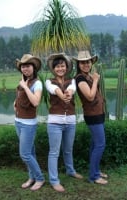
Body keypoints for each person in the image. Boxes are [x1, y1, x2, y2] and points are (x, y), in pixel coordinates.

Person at [46, 53, 83, 192]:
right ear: (53, 69)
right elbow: (53, 90)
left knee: (68, 149)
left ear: (66, 68)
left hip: (71, 121)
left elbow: (72, 89)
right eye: (57, 66)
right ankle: (54, 180)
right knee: (54, 152)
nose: (60, 68)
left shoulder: (71, 80)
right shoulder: (49, 81)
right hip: (55, 122)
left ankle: (70, 170)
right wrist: (62, 95)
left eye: (63, 66)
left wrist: (68, 93)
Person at [73, 50, 108, 185]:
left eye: (87, 62)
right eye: (82, 62)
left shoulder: (88, 76)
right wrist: (96, 80)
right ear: (78, 64)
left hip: (98, 113)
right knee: (100, 144)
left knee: (95, 144)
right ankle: (93, 176)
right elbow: (90, 96)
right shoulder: (80, 78)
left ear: (91, 62)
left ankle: (96, 171)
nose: (85, 64)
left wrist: (94, 80)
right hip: (92, 116)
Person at [14, 54, 45, 191]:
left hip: (28, 124)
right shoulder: (22, 81)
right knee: (30, 153)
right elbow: (20, 97)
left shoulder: (37, 83)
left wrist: (25, 87)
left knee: (25, 154)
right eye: (23, 66)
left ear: (34, 67)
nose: (25, 68)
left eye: (28, 66)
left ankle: (40, 178)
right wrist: (15, 103)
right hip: (18, 121)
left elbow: (36, 101)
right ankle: (31, 177)